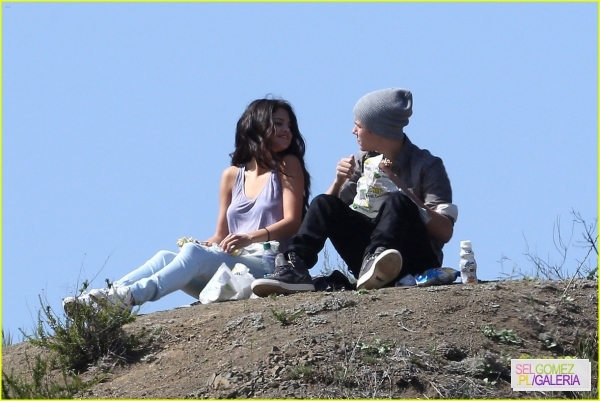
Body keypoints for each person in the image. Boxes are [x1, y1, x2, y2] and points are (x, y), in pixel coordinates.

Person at [62, 97, 311, 313]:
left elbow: (293, 222)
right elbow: (221, 235)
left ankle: (129, 297)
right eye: (278, 123)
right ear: (257, 126)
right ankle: (101, 302)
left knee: (193, 255)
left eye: (289, 125)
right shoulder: (231, 176)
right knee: (165, 256)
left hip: (267, 269)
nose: (287, 130)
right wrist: (203, 245)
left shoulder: (288, 165)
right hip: (230, 270)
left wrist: (247, 238)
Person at [251, 88, 458, 297]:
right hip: (366, 260)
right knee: (324, 202)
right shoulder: (363, 160)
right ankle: (294, 266)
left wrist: (400, 187)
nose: (353, 131)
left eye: (358, 125)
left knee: (398, 202)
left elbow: (445, 231)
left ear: (378, 130)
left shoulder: (427, 165)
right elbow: (329, 212)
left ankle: (380, 260)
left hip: (414, 261)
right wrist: (339, 180)